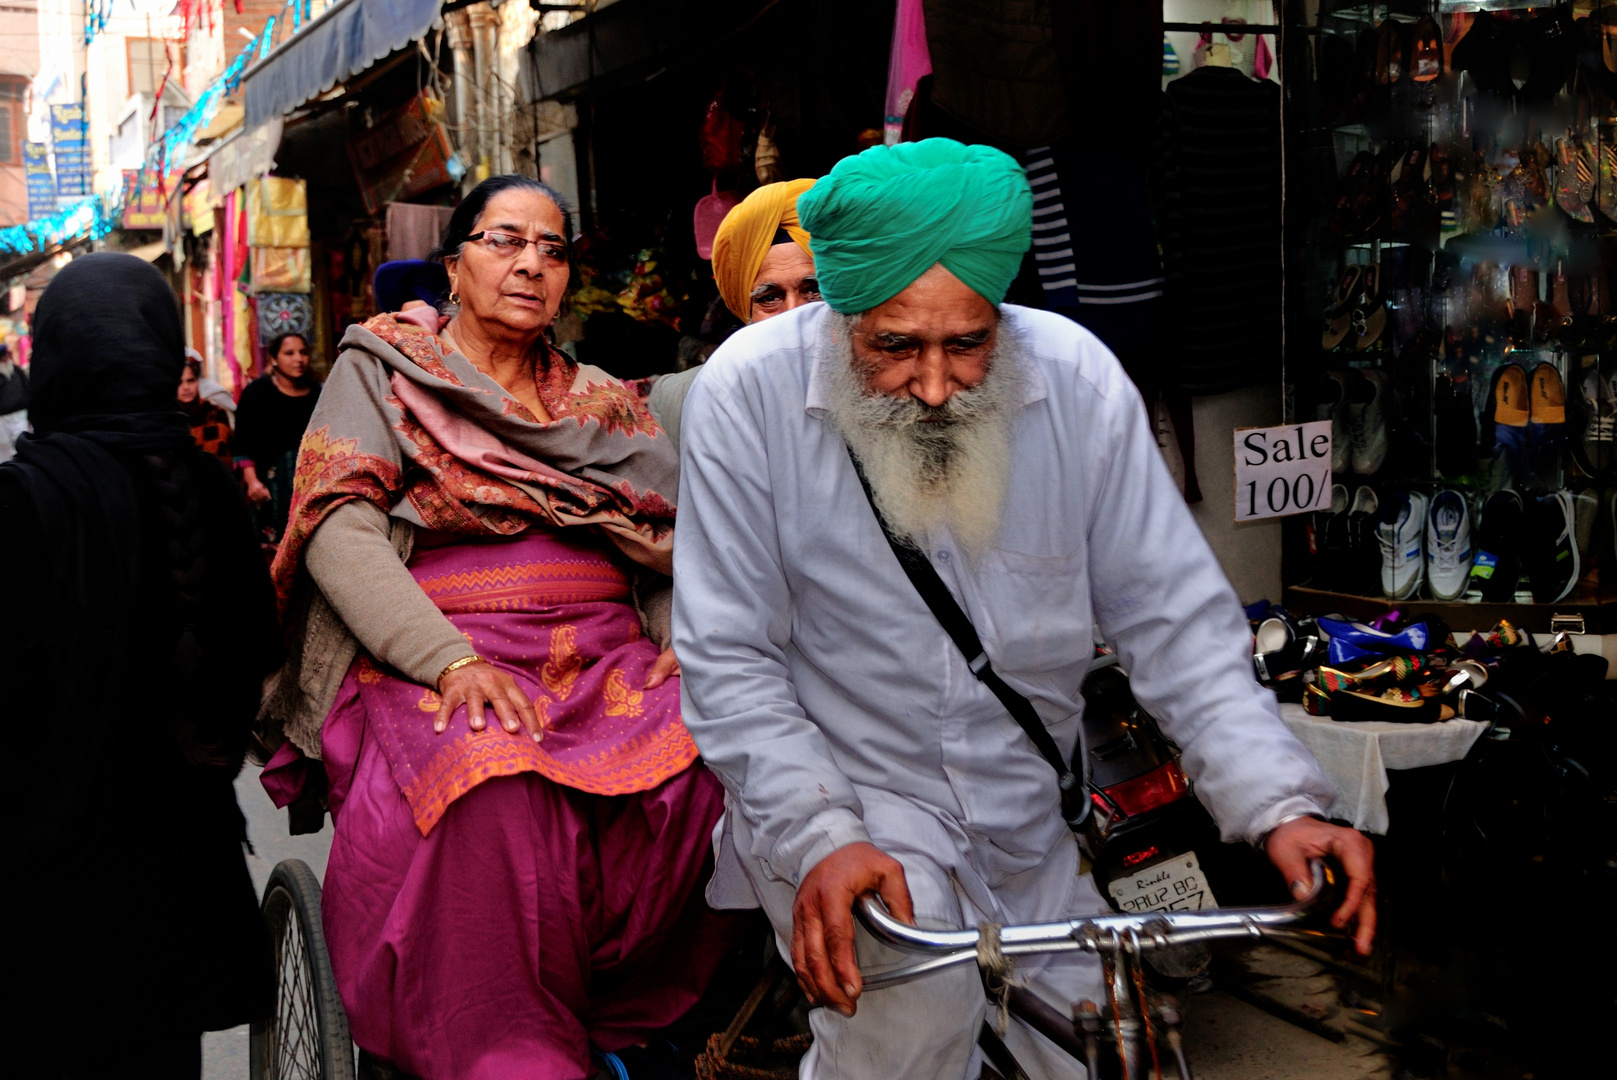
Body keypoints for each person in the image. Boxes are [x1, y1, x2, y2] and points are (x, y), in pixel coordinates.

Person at [672, 139, 1375, 1080]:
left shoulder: (1074, 378)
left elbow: (1172, 619)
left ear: (1000, 311)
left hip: (1029, 804)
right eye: (892, 346)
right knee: (911, 1032)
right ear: (840, 317)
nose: (931, 383)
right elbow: (728, 656)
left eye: (965, 343)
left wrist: (1279, 805)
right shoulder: (745, 392)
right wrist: (822, 838)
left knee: (1091, 1048)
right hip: (851, 799)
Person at [260, 175, 735, 1080]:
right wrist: (444, 660)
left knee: (712, 744)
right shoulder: (384, 369)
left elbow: (664, 542)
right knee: (490, 772)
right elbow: (338, 525)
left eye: (552, 249)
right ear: (455, 265)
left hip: (603, 653)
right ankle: (506, 1045)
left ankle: (634, 1011)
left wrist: (680, 638)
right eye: (503, 241)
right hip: (439, 647)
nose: (530, 264)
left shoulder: (604, 402)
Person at [0, 253, 279, 1077]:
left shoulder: (20, 503)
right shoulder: (212, 493)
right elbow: (253, 664)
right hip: (178, 886)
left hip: (42, 895)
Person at [648, 178, 819, 450]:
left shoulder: (894, 388)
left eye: (814, 291)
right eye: (770, 298)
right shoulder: (684, 401)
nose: (793, 316)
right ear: (745, 310)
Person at [235, 330, 319, 543]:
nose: (298, 359)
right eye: (289, 353)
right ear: (274, 359)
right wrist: (252, 481)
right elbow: (243, 441)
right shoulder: (257, 393)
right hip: (271, 486)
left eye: (303, 352)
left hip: (310, 485)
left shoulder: (317, 394)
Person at [178, 355, 236, 468]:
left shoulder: (215, 414)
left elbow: (228, 458)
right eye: (180, 383)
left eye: (191, 381)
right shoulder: (168, 419)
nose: (186, 387)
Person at [0, 341, 27, 463]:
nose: (6, 360)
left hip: (20, 414)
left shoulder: (16, 370)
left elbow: (27, 386)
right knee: (5, 449)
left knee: (20, 443)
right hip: (3, 418)